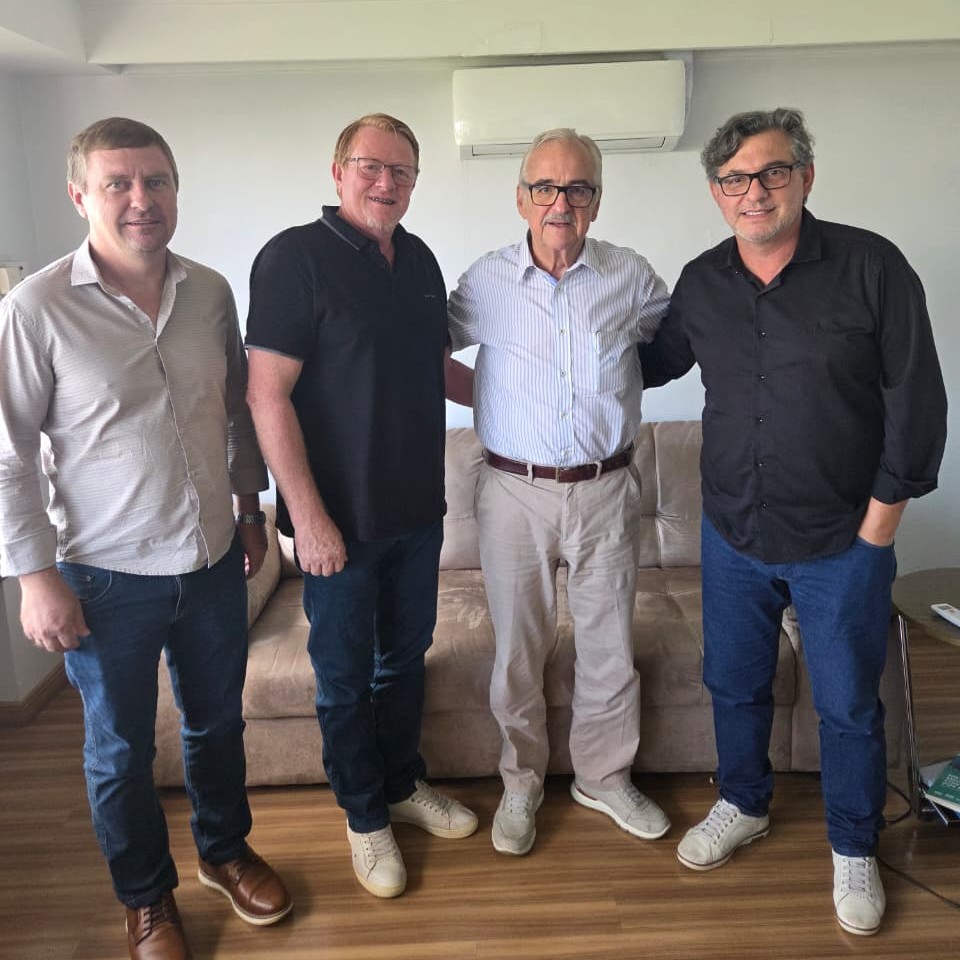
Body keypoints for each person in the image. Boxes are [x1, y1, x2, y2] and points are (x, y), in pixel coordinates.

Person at [641, 108, 947, 936]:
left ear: (806, 177)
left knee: (846, 704)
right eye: (735, 179)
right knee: (734, 682)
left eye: (772, 172)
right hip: (732, 533)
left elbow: (917, 405)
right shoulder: (703, 282)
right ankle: (744, 803)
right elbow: (649, 362)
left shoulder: (872, 267)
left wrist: (880, 528)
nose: (755, 191)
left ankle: (853, 844)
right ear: (716, 192)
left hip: (843, 539)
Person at [0, 118, 291, 960]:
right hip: (102, 577)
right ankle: (147, 899)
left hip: (210, 561)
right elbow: (8, 456)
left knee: (216, 725)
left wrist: (249, 511)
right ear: (79, 195)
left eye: (155, 181)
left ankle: (223, 853)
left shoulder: (210, 293)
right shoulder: (35, 308)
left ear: (174, 189)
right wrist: (35, 578)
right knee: (121, 750)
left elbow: (235, 412)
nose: (141, 199)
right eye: (118, 183)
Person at [244, 112, 477, 901]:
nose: (387, 182)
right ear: (339, 170)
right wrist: (306, 519)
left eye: (402, 171)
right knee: (344, 680)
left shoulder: (419, 260)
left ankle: (402, 784)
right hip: (336, 523)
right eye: (371, 166)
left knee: (404, 660)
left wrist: (522, 399)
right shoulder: (294, 259)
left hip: (416, 512)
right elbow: (266, 394)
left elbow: (437, 366)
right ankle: (364, 814)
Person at [447, 128, 672, 856]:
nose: (560, 203)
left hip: (607, 488)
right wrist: (487, 396)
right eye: (544, 187)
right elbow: (422, 351)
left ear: (597, 201)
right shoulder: (485, 281)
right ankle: (521, 783)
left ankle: (604, 778)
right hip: (512, 491)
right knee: (519, 650)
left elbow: (674, 345)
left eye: (577, 188)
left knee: (610, 647)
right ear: (521, 198)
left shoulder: (630, 276)